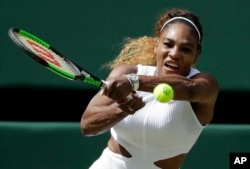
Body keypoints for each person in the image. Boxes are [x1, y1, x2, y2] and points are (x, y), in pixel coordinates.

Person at [80, 8, 219, 169]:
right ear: (156, 45)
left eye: (186, 49)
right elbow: (87, 125)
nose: (174, 54)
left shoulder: (205, 84)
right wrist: (122, 109)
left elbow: (190, 88)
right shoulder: (126, 72)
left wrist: (134, 82)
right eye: (168, 44)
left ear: (196, 55)